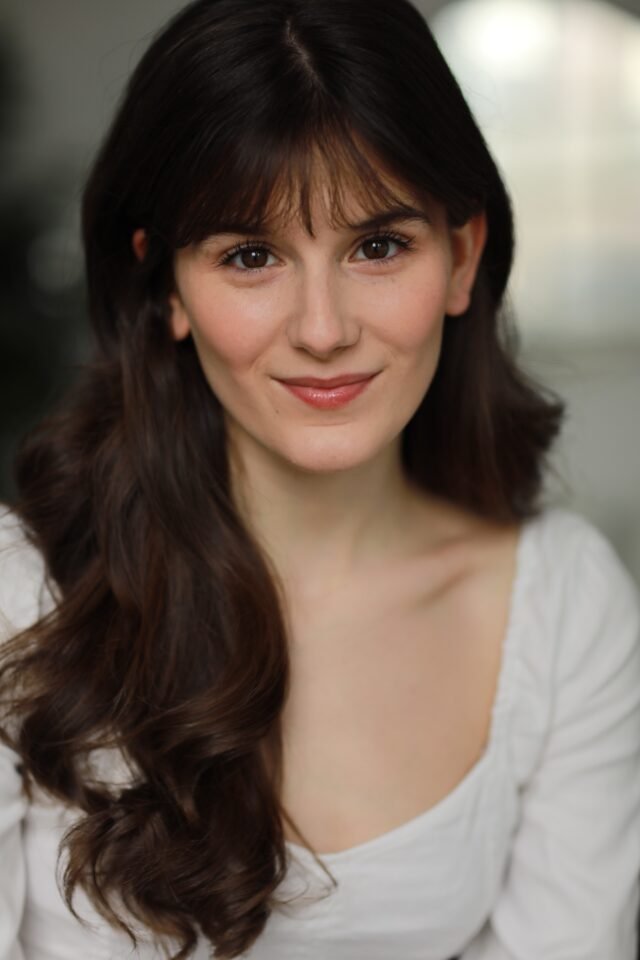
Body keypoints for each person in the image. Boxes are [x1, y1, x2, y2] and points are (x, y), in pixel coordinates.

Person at [1, 0, 639, 957]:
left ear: (462, 256)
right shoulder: (16, 597)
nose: (324, 328)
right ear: (166, 286)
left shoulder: (561, 605)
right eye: (251, 256)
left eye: (378, 246)